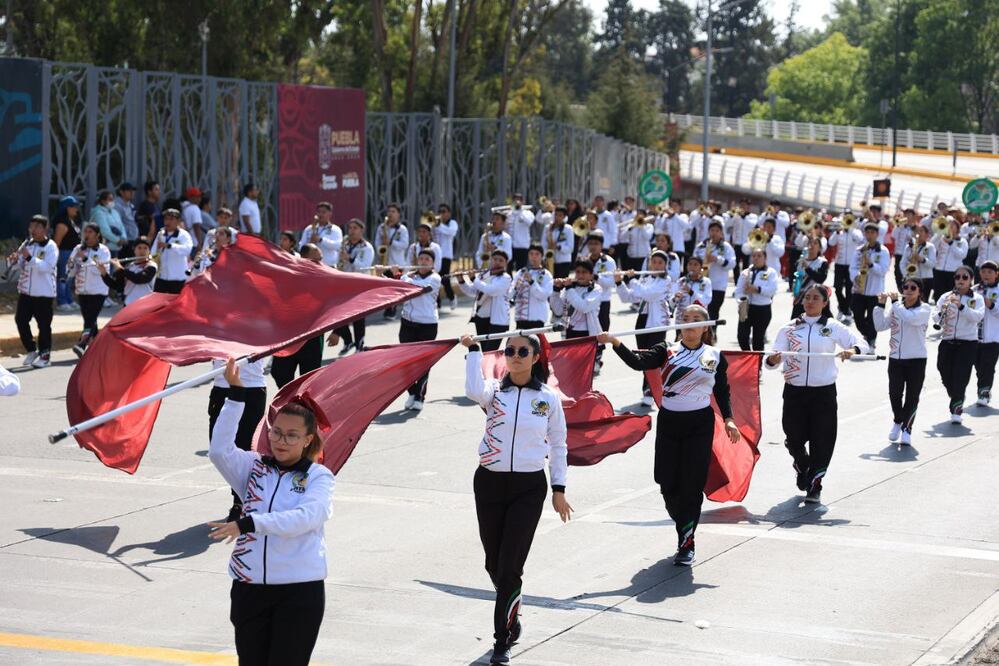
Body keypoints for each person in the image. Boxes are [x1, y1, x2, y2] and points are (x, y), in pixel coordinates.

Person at [207, 358, 333, 666]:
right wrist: (236, 397)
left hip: (298, 591)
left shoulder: (318, 477)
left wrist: (249, 523)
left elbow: (307, 518)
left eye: (291, 435)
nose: (280, 441)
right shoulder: (253, 467)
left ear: (308, 440)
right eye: (276, 432)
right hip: (249, 588)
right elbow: (219, 451)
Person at [461, 333, 571, 665]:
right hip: (489, 483)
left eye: (523, 351)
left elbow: (559, 444)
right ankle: (512, 607)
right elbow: (472, 390)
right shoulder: (494, 392)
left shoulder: (548, 398)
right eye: (510, 350)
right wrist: (473, 352)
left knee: (510, 567)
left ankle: (502, 639)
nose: (516, 355)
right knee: (494, 564)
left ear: (536, 357)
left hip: (528, 487)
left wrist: (559, 488)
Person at [599, 305, 739, 566]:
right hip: (670, 422)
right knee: (667, 482)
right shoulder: (666, 350)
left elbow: (722, 391)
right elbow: (638, 363)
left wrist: (729, 419)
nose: (689, 323)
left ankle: (686, 542)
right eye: (685, 319)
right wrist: (615, 342)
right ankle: (683, 519)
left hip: (699, 424)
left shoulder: (714, 355)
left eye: (696, 320)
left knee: (691, 484)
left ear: (705, 327)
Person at [765, 285, 867, 504]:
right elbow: (772, 359)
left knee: (823, 439)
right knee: (793, 438)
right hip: (794, 392)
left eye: (815, 298)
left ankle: (815, 484)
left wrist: (852, 350)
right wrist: (773, 359)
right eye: (807, 297)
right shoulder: (788, 328)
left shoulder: (833, 326)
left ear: (825, 303)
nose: (810, 301)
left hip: (823, 393)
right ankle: (802, 464)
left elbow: (862, 344)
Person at [208, 353, 268, 522]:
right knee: (218, 447)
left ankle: (240, 502)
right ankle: (243, 499)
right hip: (222, 386)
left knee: (245, 447)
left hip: (252, 387)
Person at [873, 279, 930, 446]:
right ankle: (898, 420)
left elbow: (911, 319)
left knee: (912, 396)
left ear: (919, 292)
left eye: (913, 288)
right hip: (896, 359)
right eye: (906, 287)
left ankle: (907, 429)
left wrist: (895, 303)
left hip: (917, 359)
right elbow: (880, 326)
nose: (909, 290)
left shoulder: (924, 309)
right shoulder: (896, 307)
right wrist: (880, 305)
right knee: (894, 394)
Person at [614, 251, 673, 406]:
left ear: (665, 265)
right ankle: (648, 388)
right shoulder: (645, 279)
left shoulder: (666, 280)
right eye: (654, 262)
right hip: (642, 320)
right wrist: (620, 282)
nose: (656, 265)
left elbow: (648, 294)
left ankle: (650, 390)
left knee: (652, 357)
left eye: (660, 262)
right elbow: (629, 297)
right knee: (643, 356)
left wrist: (632, 279)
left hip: (657, 323)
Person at [933, 265, 985, 424]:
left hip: (968, 343)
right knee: (943, 369)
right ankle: (957, 394)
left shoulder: (977, 298)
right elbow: (935, 315)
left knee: (961, 376)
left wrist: (961, 306)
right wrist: (941, 314)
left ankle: (956, 407)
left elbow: (978, 317)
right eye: (957, 277)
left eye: (964, 277)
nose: (960, 280)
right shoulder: (946, 296)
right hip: (947, 341)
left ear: (971, 280)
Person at [271, 245, 326, 388]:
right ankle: (291, 397)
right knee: (279, 372)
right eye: (316, 259)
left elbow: (338, 301)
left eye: (320, 259)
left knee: (309, 377)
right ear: (304, 258)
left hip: (312, 336)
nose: (320, 262)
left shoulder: (325, 277)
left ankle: (302, 400)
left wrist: (338, 331)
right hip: (288, 335)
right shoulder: (290, 274)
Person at [396, 251, 442, 411]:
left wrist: (402, 276)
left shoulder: (435, 278)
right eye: (421, 258)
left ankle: (420, 396)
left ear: (432, 263)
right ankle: (412, 392)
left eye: (427, 259)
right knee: (404, 362)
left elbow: (419, 288)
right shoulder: (411, 276)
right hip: (407, 323)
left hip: (427, 325)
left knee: (423, 363)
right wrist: (393, 274)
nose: (423, 261)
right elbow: (398, 287)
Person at [13, 215, 58, 369]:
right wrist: (14, 260)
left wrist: (29, 258)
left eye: (37, 227)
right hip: (26, 292)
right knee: (20, 320)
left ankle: (45, 355)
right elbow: (21, 265)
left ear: (45, 229)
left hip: (44, 293)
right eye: (31, 226)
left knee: (43, 325)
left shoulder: (51, 246)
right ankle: (31, 350)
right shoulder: (28, 244)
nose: (33, 230)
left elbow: (47, 267)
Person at [67, 223, 111, 357]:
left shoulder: (104, 251)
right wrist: (71, 265)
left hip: (98, 290)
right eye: (85, 232)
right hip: (82, 290)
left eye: (90, 232)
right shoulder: (78, 249)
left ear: (97, 235)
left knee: (90, 319)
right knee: (90, 319)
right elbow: (71, 271)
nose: (87, 234)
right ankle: (98, 349)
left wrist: (85, 258)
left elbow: (101, 271)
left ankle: (82, 344)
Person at [332, 219, 375, 354]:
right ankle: (348, 340)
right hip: (344, 283)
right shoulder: (344, 245)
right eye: (350, 228)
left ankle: (359, 345)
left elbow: (364, 266)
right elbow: (339, 261)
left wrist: (349, 258)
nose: (351, 231)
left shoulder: (366, 247)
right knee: (339, 313)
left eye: (355, 228)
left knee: (358, 317)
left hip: (359, 284)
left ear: (362, 230)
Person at [456, 250, 512, 352]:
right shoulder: (484, 275)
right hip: (481, 318)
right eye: (495, 259)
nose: (497, 262)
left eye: (501, 260)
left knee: (490, 351)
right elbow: (473, 291)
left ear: (505, 263)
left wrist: (474, 279)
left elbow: (491, 290)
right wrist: (461, 281)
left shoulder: (506, 278)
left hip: (498, 321)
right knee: (485, 352)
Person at [849, 223, 891, 352]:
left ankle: (871, 341)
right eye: (867, 232)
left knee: (873, 319)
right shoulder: (859, 249)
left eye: (873, 233)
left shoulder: (883, 251)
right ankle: (867, 335)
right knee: (857, 317)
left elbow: (883, 270)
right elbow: (853, 267)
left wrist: (871, 265)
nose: (870, 235)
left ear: (877, 234)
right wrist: (855, 277)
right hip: (859, 290)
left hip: (875, 291)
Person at [734, 247, 779, 351]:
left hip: (762, 309)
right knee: (742, 336)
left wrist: (757, 289)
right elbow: (738, 290)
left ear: (765, 258)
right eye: (754, 256)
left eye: (759, 256)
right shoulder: (746, 272)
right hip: (746, 307)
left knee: (758, 340)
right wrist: (742, 299)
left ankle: (757, 361)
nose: (756, 258)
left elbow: (772, 290)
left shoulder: (771, 272)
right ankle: (747, 357)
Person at [693, 219, 735, 323]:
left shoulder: (726, 247)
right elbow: (693, 261)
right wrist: (703, 260)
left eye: (717, 231)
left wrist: (717, 259)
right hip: (701, 284)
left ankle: (712, 331)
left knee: (713, 311)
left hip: (718, 285)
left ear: (721, 233)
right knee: (701, 311)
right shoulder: (701, 246)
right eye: (712, 230)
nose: (714, 233)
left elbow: (732, 264)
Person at [98, 236, 157, 306]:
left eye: (145, 248)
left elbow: (139, 279)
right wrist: (104, 273)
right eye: (139, 248)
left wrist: (120, 269)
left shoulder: (151, 266)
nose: (142, 251)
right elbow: (117, 286)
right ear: (134, 250)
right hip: (128, 304)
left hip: (144, 305)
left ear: (149, 251)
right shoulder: (129, 266)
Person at [554, 260, 603, 341]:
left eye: (584, 272)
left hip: (587, 332)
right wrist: (556, 290)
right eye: (578, 272)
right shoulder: (569, 289)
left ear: (591, 275)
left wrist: (569, 288)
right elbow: (558, 311)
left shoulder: (596, 289)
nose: (580, 275)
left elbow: (584, 307)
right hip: (569, 331)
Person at [828, 213, 863, 323]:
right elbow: (831, 242)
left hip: (851, 265)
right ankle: (844, 308)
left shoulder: (856, 232)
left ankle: (845, 310)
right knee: (837, 288)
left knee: (849, 289)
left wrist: (850, 228)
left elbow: (860, 240)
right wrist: (836, 232)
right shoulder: (839, 232)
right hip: (839, 263)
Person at [509, 244, 553, 330]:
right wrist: (516, 287)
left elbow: (544, 295)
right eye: (531, 254)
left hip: (537, 319)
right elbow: (509, 295)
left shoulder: (546, 275)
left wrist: (532, 282)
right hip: (521, 318)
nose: (534, 257)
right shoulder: (520, 272)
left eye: (537, 254)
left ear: (542, 256)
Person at [974, 261, 999, 406]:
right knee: (979, 367)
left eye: (990, 272)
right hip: (975, 337)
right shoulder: (974, 290)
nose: (986, 275)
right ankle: (984, 389)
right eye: (983, 272)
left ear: (996, 274)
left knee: (988, 366)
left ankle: (984, 392)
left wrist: (991, 304)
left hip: (994, 337)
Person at [152, 209, 194, 294]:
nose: (168, 222)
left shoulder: (184, 235)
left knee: (177, 301)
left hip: (178, 277)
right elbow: (153, 252)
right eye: (166, 219)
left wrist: (170, 246)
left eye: (171, 219)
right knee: (159, 299)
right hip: (161, 276)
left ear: (178, 221)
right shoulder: (161, 233)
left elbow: (187, 250)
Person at [52, 195, 82, 311]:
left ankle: (69, 299)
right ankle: (62, 301)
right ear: (66, 208)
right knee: (63, 277)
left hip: (72, 253)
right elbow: (57, 241)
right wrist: (54, 256)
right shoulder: (62, 223)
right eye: (73, 206)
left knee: (70, 278)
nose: (76, 209)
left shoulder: (71, 221)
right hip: (64, 253)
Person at [790, 236, 830, 319]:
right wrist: (793, 286)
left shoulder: (822, 262)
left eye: (815, 243)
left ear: (819, 248)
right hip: (800, 298)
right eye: (810, 243)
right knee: (796, 322)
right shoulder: (800, 260)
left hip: (816, 297)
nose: (811, 245)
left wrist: (807, 268)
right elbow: (793, 276)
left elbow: (820, 279)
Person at [932, 217, 968, 302]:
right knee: (938, 295)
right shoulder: (941, 238)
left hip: (953, 271)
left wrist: (951, 243)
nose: (949, 228)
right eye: (948, 226)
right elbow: (932, 245)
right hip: (939, 270)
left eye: (952, 226)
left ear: (957, 228)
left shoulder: (962, 241)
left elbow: (962, 255)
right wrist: (939, 234)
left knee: (950, 295)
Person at [670, 255, 712, 325]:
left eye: (695, 265)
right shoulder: (681, 281)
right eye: (690, 264)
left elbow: (706, 300)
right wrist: (675, 298)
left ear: (701, 267)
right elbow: (671, 303)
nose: (692, 267)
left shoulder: (706, 282)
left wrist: (691, 292)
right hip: (682, 320)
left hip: (698, 320)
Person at [300, 202, 342, 267]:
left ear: (330, 214)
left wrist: (321, 240)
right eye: (319, 212)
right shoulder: (309, 229)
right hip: (311, 265)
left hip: (329, 265)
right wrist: (310, 243)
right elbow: (301, 246)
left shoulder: (335, 229)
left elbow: (337, 246)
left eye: (323, 212)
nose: (320, 214)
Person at [900, 224, 936, 302]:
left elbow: (933, 264)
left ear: (926, 234)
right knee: (906, 302)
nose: (918, 233)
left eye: (921, 231)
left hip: (925, 279)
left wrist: (922, 259)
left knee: (923, 303)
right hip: (911, 279)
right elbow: (902, 263)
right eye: (916, 231)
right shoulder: (908, 247)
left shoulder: (930, 247)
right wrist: (906, 274)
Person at [434, 203, 459, 308]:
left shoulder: (452, 223)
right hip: (435, 255)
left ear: (449, 213)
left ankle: (452, 297)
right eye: (440, 211)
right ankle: (437, 303)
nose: (441, 214)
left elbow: (451, 232)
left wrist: (439, 225)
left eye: (444, 211)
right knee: (434, 279)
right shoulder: (435, 224)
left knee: (444, 279)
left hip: (446, 255)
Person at [89, 189, 126, 256]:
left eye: (112, 199)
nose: (112, 202)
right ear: (103, 201)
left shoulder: (115, 212)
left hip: (116, 248)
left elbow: (121, 226)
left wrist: (123, 238)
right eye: (110, 199)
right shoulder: (98, 213)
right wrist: (117, 240)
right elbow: (104, 231)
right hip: (105, 248)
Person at [542, 206, 575, 279]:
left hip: (563, 261)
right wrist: (545, 257)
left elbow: (571, 248)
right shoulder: (547, 227)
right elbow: (543, 244)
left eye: (560, 215)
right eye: (556, 215)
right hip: (549, 261)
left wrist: (558, 247)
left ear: (564, 217)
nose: (557, 217)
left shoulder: (568, 229)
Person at [507, 193, 536, 271]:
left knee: (521, 269)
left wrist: (520, 211)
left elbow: (529, 222)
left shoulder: (527, 213)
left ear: (523, 202)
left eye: (519, 200)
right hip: (510, 246)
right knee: (508, 268)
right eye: (515, 200)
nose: (517, 202)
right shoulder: (509, 214)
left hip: (522, 246)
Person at [113, 182, 138, 250]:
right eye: (129, 190)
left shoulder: (131, 205)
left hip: (133, 239)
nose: (132, 192)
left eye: (133, 190)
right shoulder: (117, 206)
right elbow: (117, 224)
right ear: (121, 192)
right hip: (124, 241)